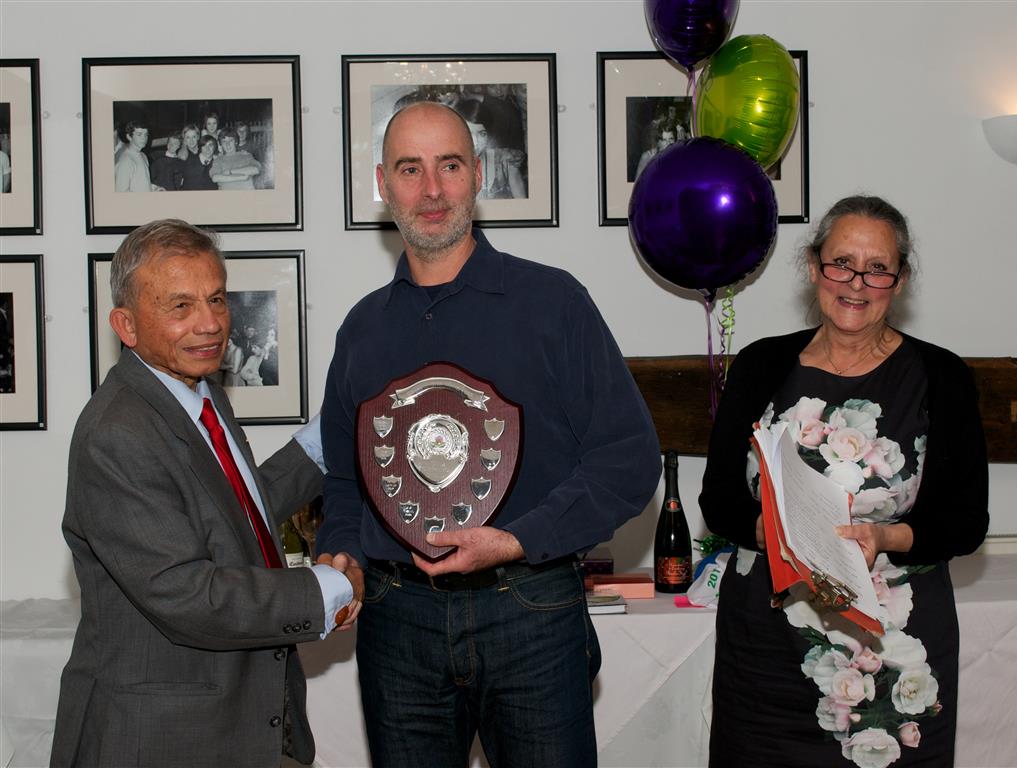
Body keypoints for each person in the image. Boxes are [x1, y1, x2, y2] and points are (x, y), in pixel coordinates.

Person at [316, 100, 661, 768]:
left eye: (448, 165)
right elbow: (342, 482)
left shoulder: (553, 304)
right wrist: (342, 557)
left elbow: (627, 459)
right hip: (396, 621)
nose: (432, 189)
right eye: (409, 169)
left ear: (477, 174)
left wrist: (516, 539)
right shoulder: (362, 331)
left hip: (528, 606)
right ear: (383, 185)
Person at [51, 219, 361, 767]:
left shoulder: (200, 394)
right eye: (180, 306)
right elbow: (186, 592)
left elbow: (231, 510)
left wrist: (325, 441)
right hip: (162, 741)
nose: (211, 323)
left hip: (229, 727)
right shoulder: (116, 433)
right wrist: (324, 590)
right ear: (125, 324)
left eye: (216, 298)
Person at [699, 195, 989, 768]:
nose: (857, 282)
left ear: (899, 280)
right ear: (814, 267)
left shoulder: (941, 375)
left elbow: (965, 519)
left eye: (878, 268)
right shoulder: (760, 366)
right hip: (766, 650)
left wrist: (885, 539)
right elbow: (720, 498)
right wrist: (776, 530)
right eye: (842, 263)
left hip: (891, 649)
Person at [114, 121, 153, 192]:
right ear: (129, 137)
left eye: (146, 135)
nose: (144, 138)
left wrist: (156, 189)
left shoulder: (143, 156)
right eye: (139, 134)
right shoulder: (125, 160)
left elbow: (142, 184)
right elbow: (121, 192)